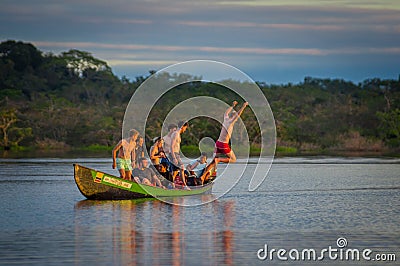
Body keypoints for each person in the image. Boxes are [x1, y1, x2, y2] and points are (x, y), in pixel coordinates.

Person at [204, 101, 248, 174]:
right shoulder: (231, 122)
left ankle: (203, 175)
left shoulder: (226, 119)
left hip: (218, 143)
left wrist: (232, 105)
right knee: (233, 159)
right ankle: (219, 160)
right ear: (233, 116)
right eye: (234, 116)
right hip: (223, 145)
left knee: (213, 162)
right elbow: (238, 114)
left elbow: (226, 113)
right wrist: (244, 106)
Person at [169, 121, 189, 188]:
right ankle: (185, 186)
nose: (185, 130)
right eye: (185, 128)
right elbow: (171, 146)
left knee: (175, 171)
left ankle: (171, 185)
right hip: (174, 154)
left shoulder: (177, 133)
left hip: (176, 153)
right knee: (182, 168)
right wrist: (174, 157)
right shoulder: (176, 134)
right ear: (183, 126)